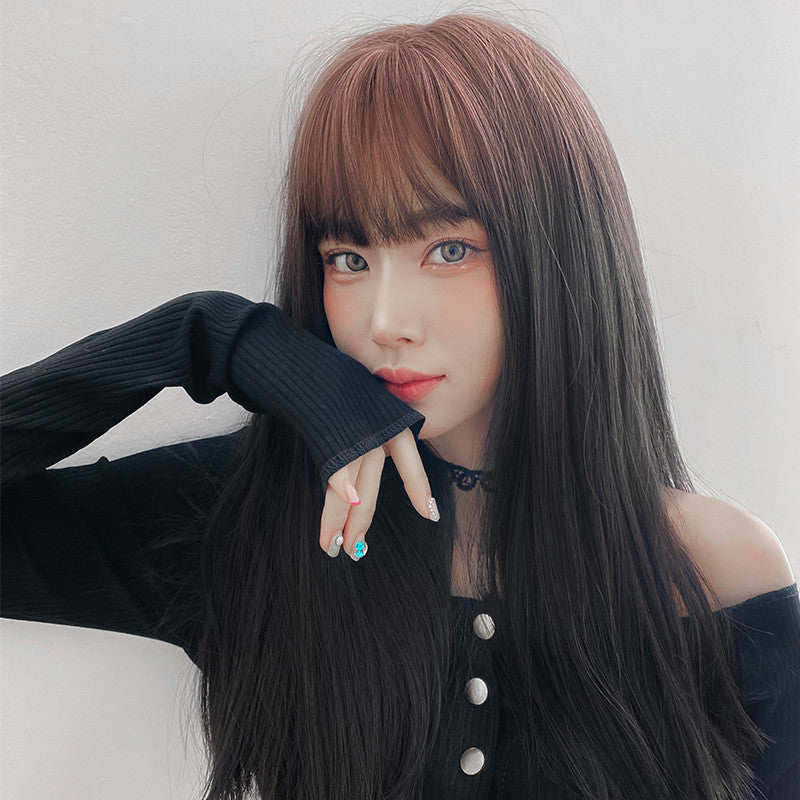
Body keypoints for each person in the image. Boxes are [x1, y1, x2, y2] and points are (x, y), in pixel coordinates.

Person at [2, 11, 798, 800]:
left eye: (448, 249)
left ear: (556, 253)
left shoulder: (717, 570)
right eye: (348, 258)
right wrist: (213, 337)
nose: (384, 321)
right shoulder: (248, 519)